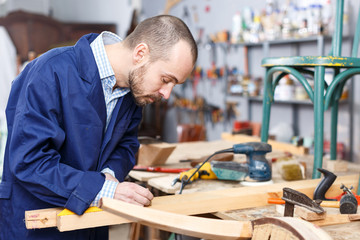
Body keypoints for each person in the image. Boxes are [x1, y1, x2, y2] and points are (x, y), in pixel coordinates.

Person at [0, 15, 197, 239]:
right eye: (165, 79)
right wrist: (104, 189)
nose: (166, 93)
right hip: (36, 225)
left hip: (91, 222)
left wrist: (109, 175)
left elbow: (125, 146)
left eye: (174, 84)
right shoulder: (49, 72)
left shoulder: (134, 91)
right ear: (140, 53)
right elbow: (30, 162)